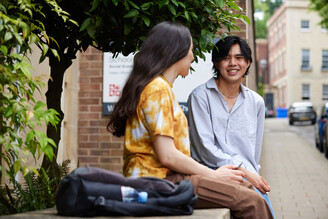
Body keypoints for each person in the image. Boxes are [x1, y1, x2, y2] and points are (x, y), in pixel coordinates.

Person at [107, 22, 273, 219]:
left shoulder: (160, 88)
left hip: (171, 177)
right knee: (252, 202)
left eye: (239, 58)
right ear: (175, 52)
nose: (193, 57)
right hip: (158, 181)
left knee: (246, 187)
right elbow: (168, 156)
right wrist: (213, 175)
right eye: (191, 50)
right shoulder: (158, 89)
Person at [187, 36, 274, 216]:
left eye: (239, 58)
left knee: (266, 208)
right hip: (211, 173)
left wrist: (250, 173)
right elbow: (205, 149)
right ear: (217, 63)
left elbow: (254, 151)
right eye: (226, 58)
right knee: (255, 206)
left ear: (248, 63)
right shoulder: (200, 97)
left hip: (247, 175)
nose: (233, 63)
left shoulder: (256, 102)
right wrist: (244, 172)